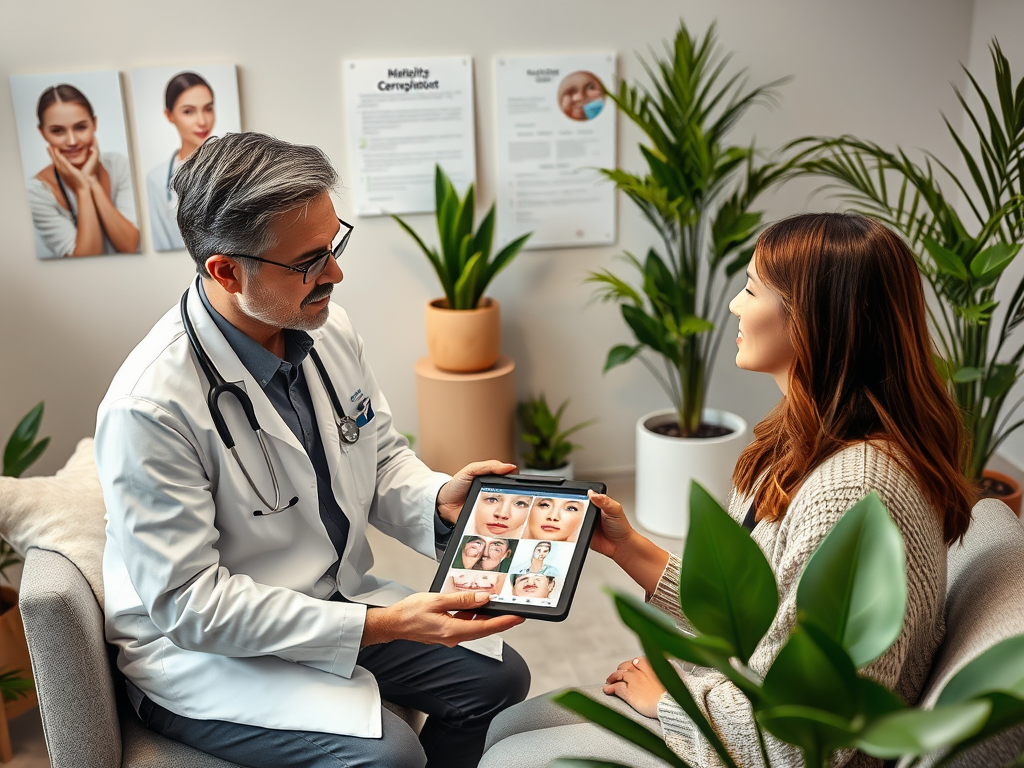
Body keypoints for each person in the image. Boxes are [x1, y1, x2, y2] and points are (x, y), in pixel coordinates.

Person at [96, 132, 531, 768]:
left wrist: (439, 497)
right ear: (225, 270)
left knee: (499, 681)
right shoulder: (149, 408)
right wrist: (386, 624)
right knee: (393, 756)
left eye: (334, 245)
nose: (335, 273)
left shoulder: (325, 329)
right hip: (207, 652)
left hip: (327, 595)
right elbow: (190, 605)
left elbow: (379, 454)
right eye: (308, 262)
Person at [481, 213, 975, 768]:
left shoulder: (854, 491)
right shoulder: (805, 437)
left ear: (811, 320)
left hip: (756, 748)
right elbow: (759, 614)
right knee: (512, 724)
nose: (736, 307)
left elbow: (802, 742)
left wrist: (673, 701)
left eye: (751, 289)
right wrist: (626, 546)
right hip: (737, 707)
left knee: (515, 755)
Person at [27, 84, 138, 258]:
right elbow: (87, 258)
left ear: (94, 124)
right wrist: (82, 189)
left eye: (80, 127)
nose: (72, 141)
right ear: (43, 133)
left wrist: (92, 182)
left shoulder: (119, 165)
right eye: (57, 131)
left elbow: (130, 245)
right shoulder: (37, 193)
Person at [147, 72, 215, 252]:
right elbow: (162, 242)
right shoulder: (157, 179)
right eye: (188, 111)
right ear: (169, 115)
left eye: (208, 109)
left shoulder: (233, 168)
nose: (202, 121)